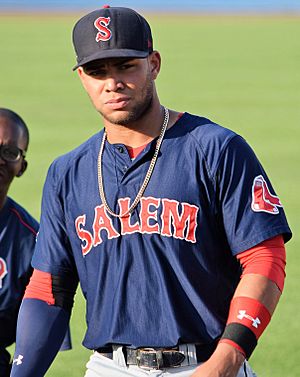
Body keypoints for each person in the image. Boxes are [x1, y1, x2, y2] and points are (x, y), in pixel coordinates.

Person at [11, 6, 291, 377]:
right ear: (82, 77)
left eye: (126, 65)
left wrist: (228, 358)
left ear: (154, 64)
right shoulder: (67, 172)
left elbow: (265, 258)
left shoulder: (215, 149)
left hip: (206, 362)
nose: (112, 83)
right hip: (110, 368)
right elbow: (50, 288)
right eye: (98, 71)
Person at [0, 108, 71, 377]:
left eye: (10, 153)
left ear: (22, 167)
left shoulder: (33, 241)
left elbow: (40, 338)